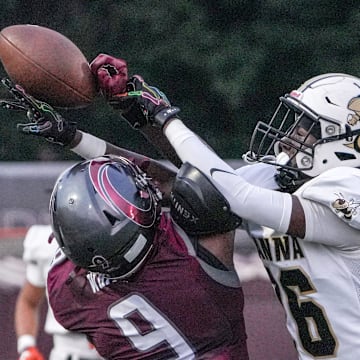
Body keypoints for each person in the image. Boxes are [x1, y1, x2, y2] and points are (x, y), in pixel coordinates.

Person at [104, 71, 360, 360]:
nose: (287, 140)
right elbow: (204, 178)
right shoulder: (279, 181)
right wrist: (124, 118)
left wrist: (166, 116)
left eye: (303, 132)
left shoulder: (348, 189)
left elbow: (236, 194)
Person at [0, 79, 248, 358]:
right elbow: (206, 179)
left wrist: (75, 136)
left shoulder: (65, 292)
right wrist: (143, 116)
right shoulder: (190, 267)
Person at [15, 224, 103, 360]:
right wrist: (27, 346)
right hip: (66, 352)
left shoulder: (124, 236)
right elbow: (28, 301)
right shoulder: (46, 242)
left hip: (118, 348)